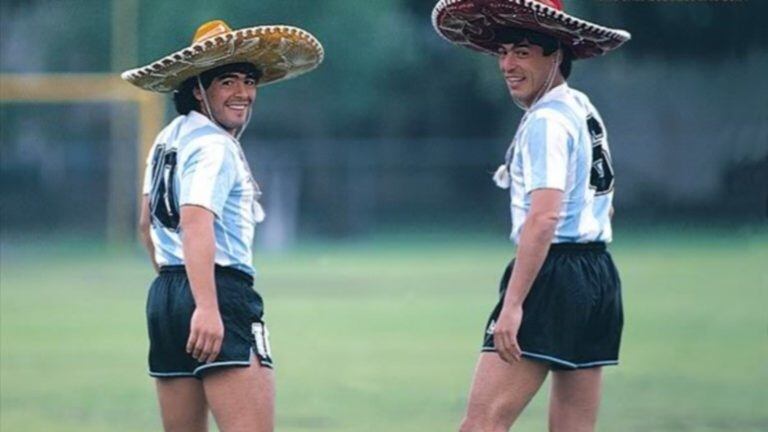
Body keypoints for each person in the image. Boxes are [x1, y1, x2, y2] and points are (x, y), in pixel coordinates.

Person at [432, 1, 631, 430]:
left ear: (555, 53)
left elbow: (544, 218)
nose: (507, 64)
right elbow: (605, 202)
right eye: (504, 52)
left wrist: (515, 304)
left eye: (522, 51)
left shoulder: (546, 120)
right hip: (598, 275)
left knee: (481, 423)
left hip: (553, 274)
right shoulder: (582, 107)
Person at [122, 20, 323, 432]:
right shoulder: (215, 145)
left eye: (249, 81)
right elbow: (196, 224)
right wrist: (207, 305)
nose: (243, 93)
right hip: (218, 292)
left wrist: (176, 287)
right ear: (198, 89)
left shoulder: (167, 138)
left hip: (166, 296)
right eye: (227, 82)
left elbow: (145, 225)